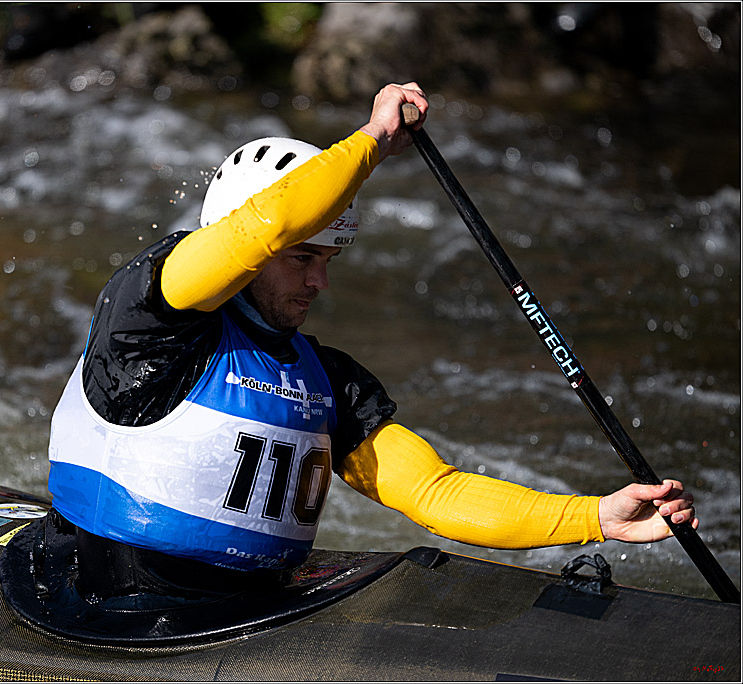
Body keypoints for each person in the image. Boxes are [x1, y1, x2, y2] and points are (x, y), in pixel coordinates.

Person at [43, 82, 697, 600]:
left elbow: (435, 494)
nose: (320, 281)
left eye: (329, 260)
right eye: (303, 258)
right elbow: (263, 228)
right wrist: (374, 139)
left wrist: (596, 517)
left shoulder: (326, 380)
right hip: (103, 599)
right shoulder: (154, 315)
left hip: (245, 611)